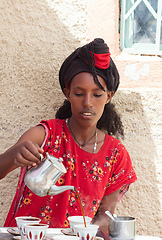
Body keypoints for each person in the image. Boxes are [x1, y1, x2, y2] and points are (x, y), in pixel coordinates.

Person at [0, 38, 137, 235]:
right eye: (79, 93)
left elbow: (104, 216)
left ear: (109, 97)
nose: (88, 103)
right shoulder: (45, 135)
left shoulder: (115, 154)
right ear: (68, 93)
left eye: (97, 95)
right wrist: (15, 154)